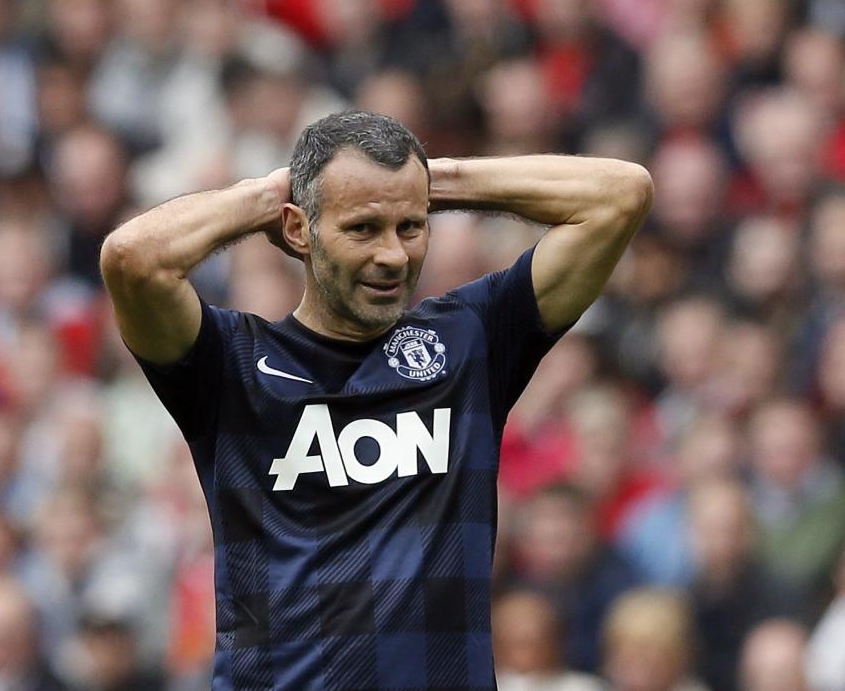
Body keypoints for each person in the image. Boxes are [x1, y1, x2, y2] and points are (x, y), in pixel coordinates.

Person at [100, 110, 651, 689]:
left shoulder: (469, 342)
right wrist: (261, 195)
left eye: (411, 227)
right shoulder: (229, 364)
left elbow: (620, 194)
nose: (393, 255)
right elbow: (132, 259)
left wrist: (436, 183)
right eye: (363, 228)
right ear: (297, 231)